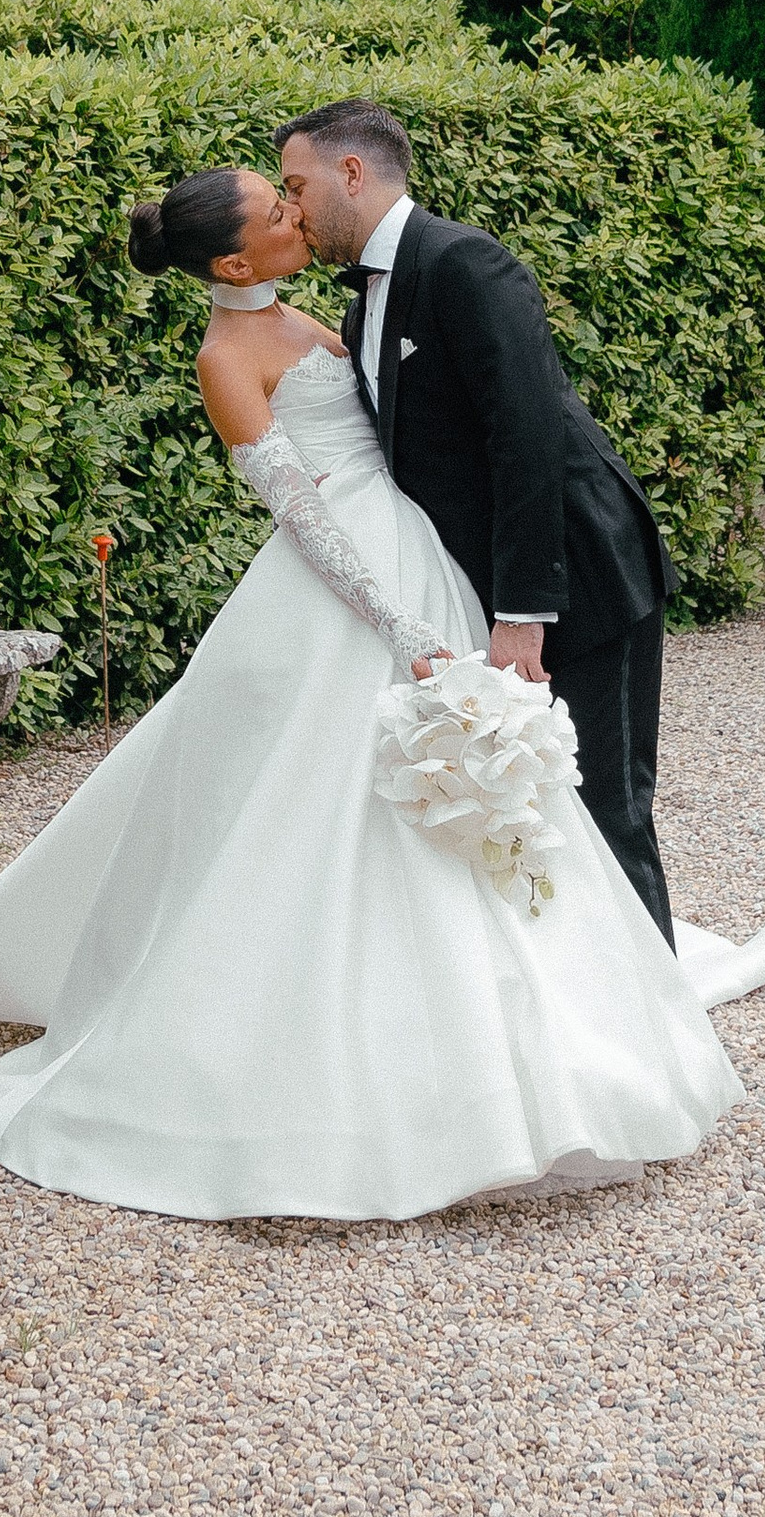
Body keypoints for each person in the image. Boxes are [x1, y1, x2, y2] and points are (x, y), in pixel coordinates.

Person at [0, 158, 765, 1224]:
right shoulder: (226, 354)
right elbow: (301, 514)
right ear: (234, 259)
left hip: (427, 558)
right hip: (353, 589)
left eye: (290, 194)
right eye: (276, 209)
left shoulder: (330, 306)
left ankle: (534, 1030)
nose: (296, 213)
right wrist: (401, 628)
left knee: (462, 817)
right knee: (316, 821)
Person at [277, 100, 677, 940]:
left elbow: (525, 440)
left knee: (608, 811)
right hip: (484, 585)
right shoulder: (360, 306)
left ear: (352, 174)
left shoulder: (464, 263)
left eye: (298, 186)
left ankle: (666, 1038)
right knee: (531, 816)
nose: (296, 212)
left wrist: (523, 616)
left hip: (583, 574)